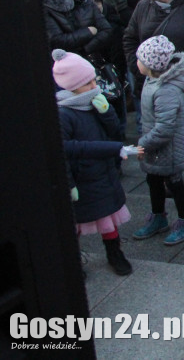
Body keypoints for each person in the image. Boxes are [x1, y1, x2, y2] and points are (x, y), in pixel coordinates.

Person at [54, 49, 134, 276]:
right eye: (87, 83)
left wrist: (107, 111)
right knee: (78, 222)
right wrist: (70, 184)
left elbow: (115, 132)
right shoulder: (64, 114)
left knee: (108, 218)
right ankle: (72, 261)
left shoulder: (93, 102)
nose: (94, 86)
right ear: (70, 86)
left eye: (93, 80)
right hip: (83, 176)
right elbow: (67, 150)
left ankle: (114, 253)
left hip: (102, 173)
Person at [132, 37, 184, 246]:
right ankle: (158, 216)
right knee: (153, 180)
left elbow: (165, 128)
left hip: (167, 149)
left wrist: (143, 143)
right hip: (156, 148)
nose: (137, 63)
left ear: (150, 64)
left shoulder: (166, 90)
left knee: (174, 183)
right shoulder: (154, 81)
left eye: (139, 59)